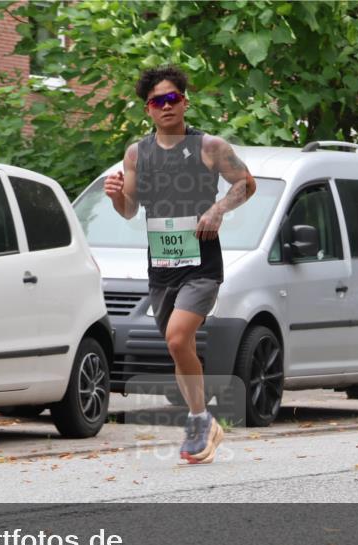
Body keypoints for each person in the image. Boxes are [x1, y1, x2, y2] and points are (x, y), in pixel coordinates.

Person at [103, 65, 256, 464]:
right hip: (162, 266)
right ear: (148, 110)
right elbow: (130, 210)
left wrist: (219, 209)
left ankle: (200, 419)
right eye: (157, 101)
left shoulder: (210, 146)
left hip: (201, 264)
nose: (166, 106)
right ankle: (201, 419)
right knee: (179, 347)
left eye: (173, 98)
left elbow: (245, 183)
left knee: (175, 338)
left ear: (185, 102)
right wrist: (116, 195)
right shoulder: (137, 153)